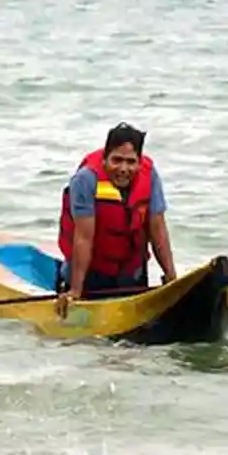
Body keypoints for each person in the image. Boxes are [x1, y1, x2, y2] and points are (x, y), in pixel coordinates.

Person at [55, 122, 177, 318]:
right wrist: (75, 291)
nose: (123, 169)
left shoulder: (150, 175)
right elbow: (83, 238)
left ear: (139, 161)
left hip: (131, 274)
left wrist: (172, 278)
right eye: (116, 160)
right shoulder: (86, 180)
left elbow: (158, 229)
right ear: (104, 158)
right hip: (91, 276)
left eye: (130, 162)